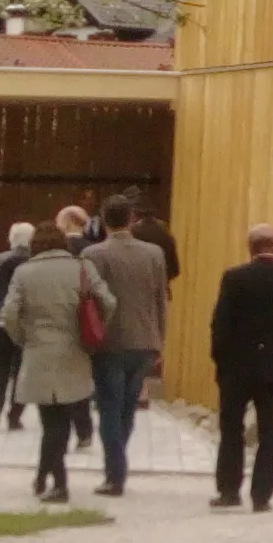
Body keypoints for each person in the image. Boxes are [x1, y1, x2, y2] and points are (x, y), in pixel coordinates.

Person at [207, 224, 273, 513]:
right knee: (270, 431)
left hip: (237, 366)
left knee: (231, 428)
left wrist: (220, 359)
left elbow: (221, 322)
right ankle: (262, 495)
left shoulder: (234, 278)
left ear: (250, 248)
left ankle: (229, 490)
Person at [3, 220, 109, 505]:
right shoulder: (83, 268)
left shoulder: (24, 273)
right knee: (62, 419)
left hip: (38, 350)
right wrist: (93, 331)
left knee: (50, 421)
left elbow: (10, 313)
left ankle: (57, 483)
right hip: (75, 350)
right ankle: (44, 477)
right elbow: (108, 302)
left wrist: (23, 338)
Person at [78, 194, 172, 497]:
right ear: (131, 219)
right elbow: (161, 298)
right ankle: (118, 464)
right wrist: (160, 338)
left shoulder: (94, 254)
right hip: (145, 340)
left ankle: (115, 474)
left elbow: (87, 299)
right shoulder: (154, 254)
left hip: (110, 341)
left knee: (109, 407)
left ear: (104, 220)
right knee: (128, 408)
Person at [0, 221, 36, 430]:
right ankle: (15, 415)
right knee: (23, 369)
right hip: (27, 323)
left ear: (11, 238)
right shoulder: (36, 262)